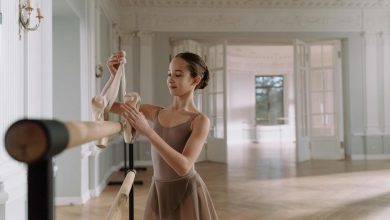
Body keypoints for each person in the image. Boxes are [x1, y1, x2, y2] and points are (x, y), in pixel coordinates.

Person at [107, 51, 219, 220]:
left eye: (178, 74)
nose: (170, 79)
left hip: (186, 192)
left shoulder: (200, 120)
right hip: (158, 191)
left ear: (195, 80)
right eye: (169, 74)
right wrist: (114, 77)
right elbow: (106, 106)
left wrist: (148, 131)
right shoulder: (155, 112)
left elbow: (184, 166)